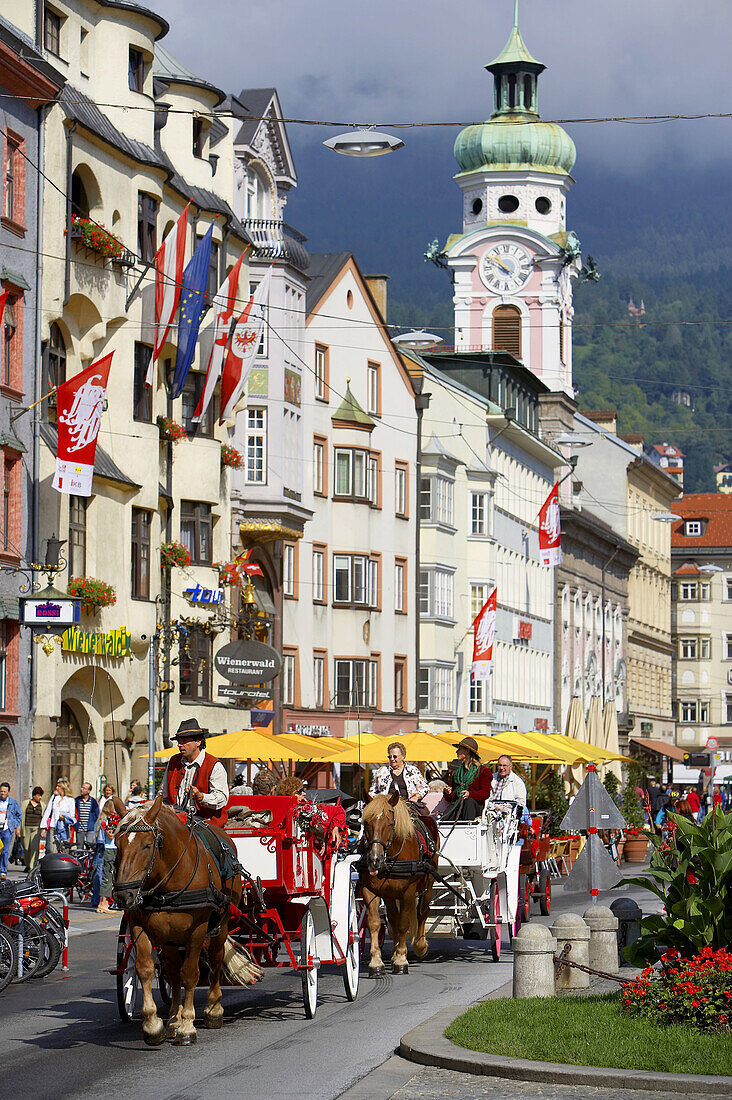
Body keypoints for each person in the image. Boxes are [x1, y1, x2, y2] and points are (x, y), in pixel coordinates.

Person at [160, 718, 229, 827]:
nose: (179, 745)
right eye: (179, 741)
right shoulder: (173, 762)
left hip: (207, 821)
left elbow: (222, 799)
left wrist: (202, 797)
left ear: (198, 742)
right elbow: (162, 795)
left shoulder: (214, 765)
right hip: (176, 821)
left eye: (184, 741)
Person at [442, 737, 492, 820]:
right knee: (443, 820)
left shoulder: (483, 771)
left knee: (468, 802)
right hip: (457, 805)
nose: (456, 751)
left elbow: (485, 793)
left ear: (467, 751)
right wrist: (448, 792)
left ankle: (468, 830)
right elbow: (451, 798)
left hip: (474, 807)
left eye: (459, 749)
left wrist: (470, 794)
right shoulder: (456, 772)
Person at [94, 798, 118, 913]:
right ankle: (103, 903)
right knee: (107, 877)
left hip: (111, 849)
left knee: (109, 877)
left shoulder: (106, 819)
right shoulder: (108, 820)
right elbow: (110, 835)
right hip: (110, 849)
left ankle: (105, 902)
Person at [40, 778, 76, 852]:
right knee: (52, 849)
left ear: (63, 788)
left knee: (63, 849)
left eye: (58, 786)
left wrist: (64, 818)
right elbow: (48, 811)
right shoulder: (54, 798)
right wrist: (43, 827)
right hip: (53, 826)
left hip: (64, 828)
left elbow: (72, 815)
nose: (56, 788)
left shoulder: (70, 800)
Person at [0, 781, 22, 879]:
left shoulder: (12, 803)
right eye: (1, 791)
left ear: (8, 792)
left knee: (5, 851)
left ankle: (3, 871)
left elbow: (19, 815)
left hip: (6, 830)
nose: (2, 793)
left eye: (4, 791)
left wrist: (13, 826)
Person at [20, 787, 45, 873]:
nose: (40, 797)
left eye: (41, 795)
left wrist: (43, 830)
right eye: (38, 795)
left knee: (34, 848)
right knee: (27, 848)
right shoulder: (25, 803)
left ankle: (32, 867)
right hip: (26, 827)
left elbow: (44, 818)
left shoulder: (42, 805)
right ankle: (27, 865)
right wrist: (18, 829)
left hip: (36, 828)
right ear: (34, 795)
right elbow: (21, 816)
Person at [75, 781, 100, 847]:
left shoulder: (93, 801)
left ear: (88, 791)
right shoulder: (77, 800)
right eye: (82, 787)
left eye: (84, 788)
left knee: (89, 847)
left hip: (90, 829)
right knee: (79, 848)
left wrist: (92, 822)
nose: (81, 789)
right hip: (80, 829)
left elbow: (97, 814)